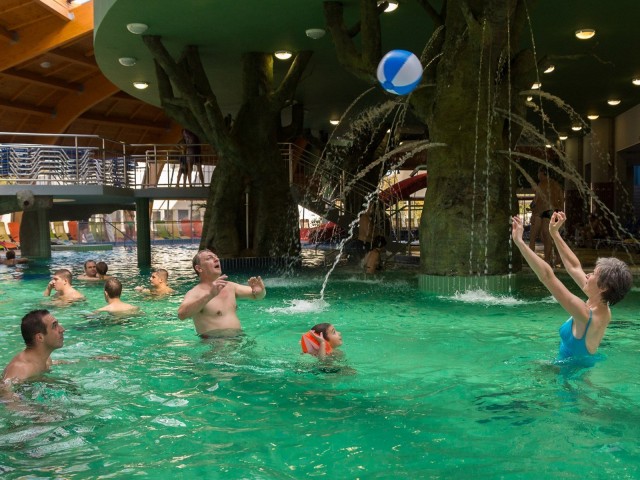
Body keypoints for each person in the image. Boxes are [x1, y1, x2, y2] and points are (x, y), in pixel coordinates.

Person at [512, 211, 632, 365]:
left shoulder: (585, 314)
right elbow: (574, 267)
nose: (587, 275)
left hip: (570, 377)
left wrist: (520, 243)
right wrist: (555, 234)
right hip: (575, 369)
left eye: (593, 274)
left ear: (603, 287)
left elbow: (547, 276)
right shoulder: (602, 304)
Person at [177, 249, 266, 338]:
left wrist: (260, 291)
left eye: (216, 257)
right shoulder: (195, 292)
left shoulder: (230, 286)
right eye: (209, 258)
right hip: (214, 342)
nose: (217, 259)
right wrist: (210, 295)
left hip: (239, 339)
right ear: (199, 268)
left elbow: (258, 296)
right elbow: (181, 315)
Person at [2, 310, 65, 384]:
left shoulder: (46, 359)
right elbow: (4, 388)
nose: (62, 329)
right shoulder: (20, 369)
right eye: (54, 326)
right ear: (40, 337)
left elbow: (53, 363)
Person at [532, 167, 564, 265]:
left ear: (542, 173)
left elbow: (536, 201)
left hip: (547, 211)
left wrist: (533, 209)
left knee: (546, 236)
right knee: (548, 236)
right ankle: (557, 256)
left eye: (538, 173)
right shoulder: (555, 184)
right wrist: (560, 211)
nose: (538, 175)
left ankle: (547, 259)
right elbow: (561, 199)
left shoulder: (542, 184)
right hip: (553, 210)